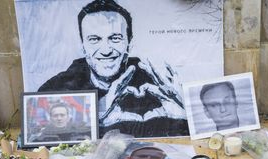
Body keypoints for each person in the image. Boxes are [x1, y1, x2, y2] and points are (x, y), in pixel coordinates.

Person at [37, 0, 187, 137]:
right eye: (94, 39)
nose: (106, 50)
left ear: (130, 44)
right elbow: (41, 140)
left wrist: (184, 116)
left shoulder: (157, 87)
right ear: (83, 46)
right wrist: (99, 111)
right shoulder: (56, 89)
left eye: (115, 38)